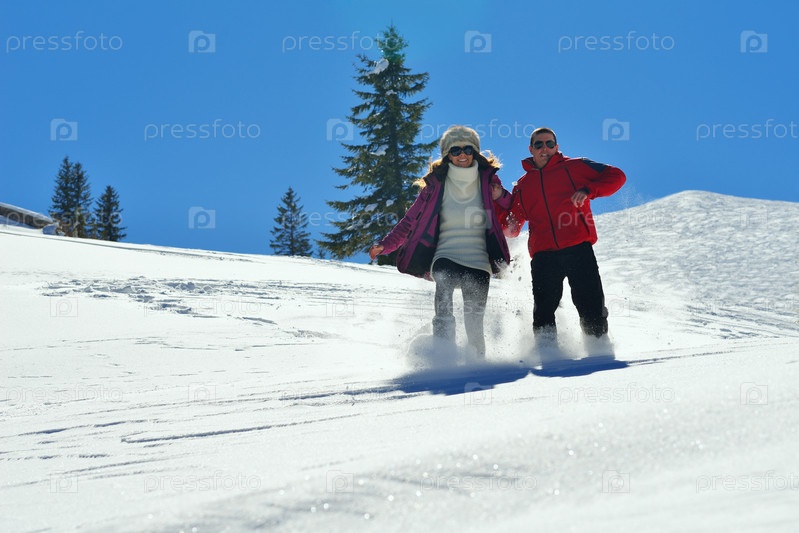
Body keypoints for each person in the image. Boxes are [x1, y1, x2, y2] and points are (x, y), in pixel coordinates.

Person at [369, 125, 511, 357]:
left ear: (475, 152)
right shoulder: (435, 185)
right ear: (447, 154)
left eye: (468, 149)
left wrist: (501, 195)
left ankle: (478, 365)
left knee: (474, 320)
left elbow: (511, 207)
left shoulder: (488, 180)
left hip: (479, 260)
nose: (462, 154)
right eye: (455, 150)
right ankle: (443, 358)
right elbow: (409, 221)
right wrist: (386, 245)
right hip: (446, 254)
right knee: (443, 302)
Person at [494, 127, 626, 345]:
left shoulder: (576, 166)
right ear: (531, 149)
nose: (544, 148)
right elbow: (512, 227)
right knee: (544, 309)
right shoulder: (523, 185)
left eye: (549, 144)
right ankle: (547, 351)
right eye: (539, 144)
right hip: (544, 256)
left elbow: (617, 176)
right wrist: (497, 200)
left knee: (590, 302)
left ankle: (598, 349)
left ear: (557, 147)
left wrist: (588, 190)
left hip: (578, 248)